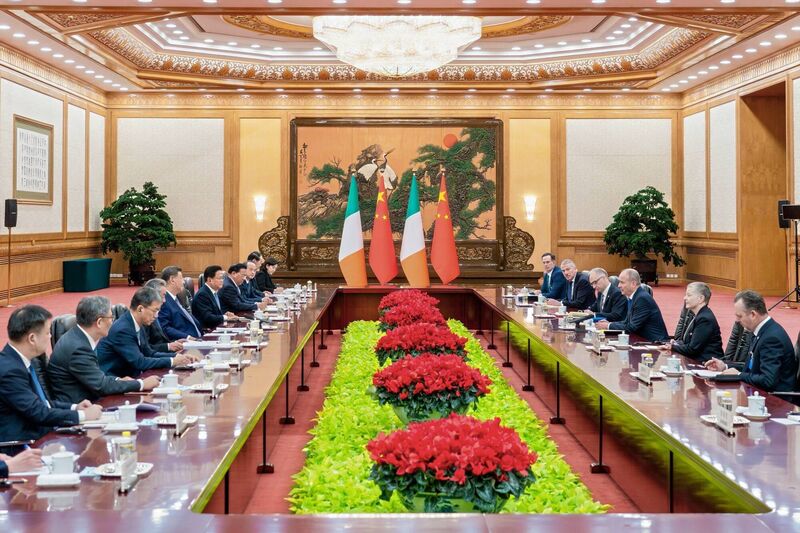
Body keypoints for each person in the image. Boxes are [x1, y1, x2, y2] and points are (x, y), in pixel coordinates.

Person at [0, 305, 102, 446]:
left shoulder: (20, 360)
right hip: (22, 446)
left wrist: (75, 407)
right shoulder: (9, 371)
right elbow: (38, 412)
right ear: (32, 338)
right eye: (48, 332)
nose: (51, 336)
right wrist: (83, 416)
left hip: (41, 434)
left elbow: (42, 403)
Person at [48, 296, 160, 404]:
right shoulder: (78, 348)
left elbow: (96, 376)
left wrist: (118, 380)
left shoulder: (79, 337)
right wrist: (141, 384)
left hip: (91, 399)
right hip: (81, 408)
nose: (113, 322)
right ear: (99, 322)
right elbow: (101, 386)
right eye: (111, 318)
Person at [705, 290, 797, 392]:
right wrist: (725, 366)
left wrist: (738, 375)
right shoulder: (761, 330)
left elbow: (768, 380)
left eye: (739, 316)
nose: (737, 320)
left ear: (753, 314)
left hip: (777, 401)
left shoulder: (771, 339)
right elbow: (752, 368)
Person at [96, 287, 195, 378]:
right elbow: (139, 362)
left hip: (133, 376)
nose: (156, 316)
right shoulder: (123, 329)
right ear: (140, 309)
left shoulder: (139, 323)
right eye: (155, 311)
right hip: (116, 380)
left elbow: (149, 353)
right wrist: (172, 361)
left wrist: (178, 357)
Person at [596, 269, 668, 342]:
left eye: (622, 282)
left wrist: (608, 326)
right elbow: (626, 322)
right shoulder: (633, 297)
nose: (618, 285)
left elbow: (632, 327)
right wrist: (609, 323)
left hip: (655, 344)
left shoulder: (642, 299)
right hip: (641, 340)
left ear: (633, 283)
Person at [665, 282, 723, 363]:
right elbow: (689, 343)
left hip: (708, 364)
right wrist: (677, 344)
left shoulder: (705, 319)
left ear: (701, 299)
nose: (684, 298)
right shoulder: (699, 315)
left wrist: (672, 347)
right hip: (697, 360)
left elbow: (692, 349)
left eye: (689, 295)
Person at [158, 266, 203, 341]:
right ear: (172, 280)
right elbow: (165, 328)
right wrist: (187, 337)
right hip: (185, 343)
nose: (184, 282)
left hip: (198, 339)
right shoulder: (163, 301)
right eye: (181, 278)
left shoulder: (177, 298)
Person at [144, 278, 184, 353]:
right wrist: (169, 347)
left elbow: (160, 340)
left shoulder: (155, 312)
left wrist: (174, 343)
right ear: (153, 295)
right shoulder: (145, 317)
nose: (164, 300)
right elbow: (145, 349)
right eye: (163, 296)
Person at [192, 265, 238, 329]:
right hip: (207, 331)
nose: (222, 281)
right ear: (210, 280)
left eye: (223, 278)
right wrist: (225, 317)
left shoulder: (214, 292)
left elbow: (214, 312)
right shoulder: (202, 294)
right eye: (219, 278)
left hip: (216, 326)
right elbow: (208, 317)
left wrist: (225, 314)